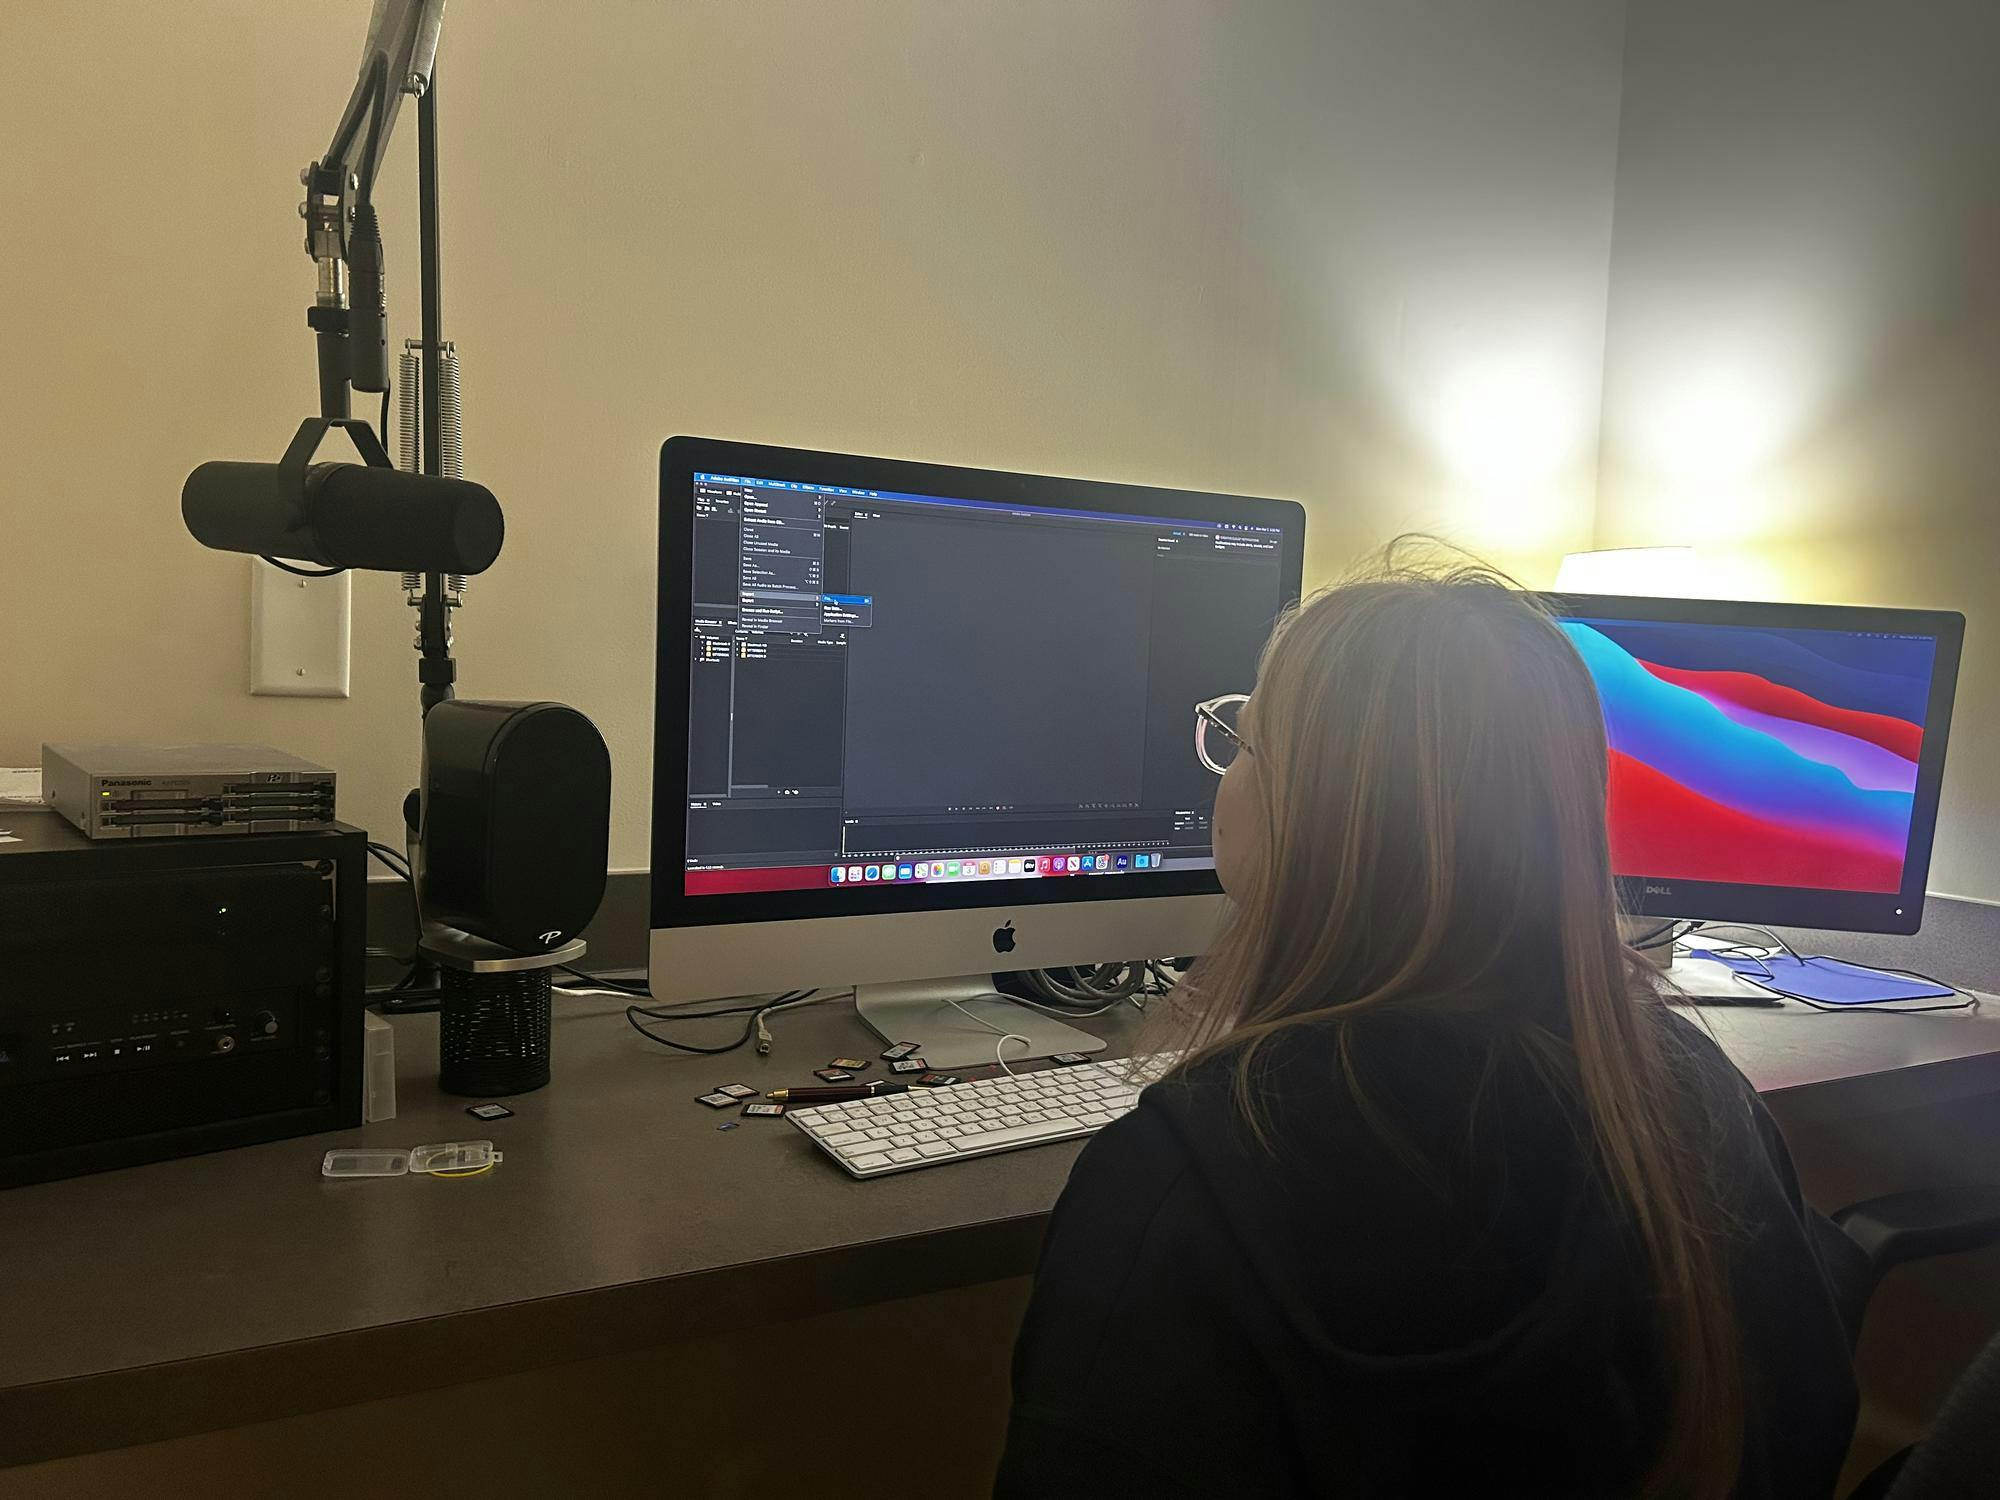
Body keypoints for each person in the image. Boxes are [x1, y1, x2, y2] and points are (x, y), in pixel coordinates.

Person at [994, 546, 1859, 1499]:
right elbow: (1806, 1423)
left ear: (1316, 818)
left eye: (1245, 741)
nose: (1227, 771)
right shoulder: (1696, 1094)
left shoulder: (1180, 1179)